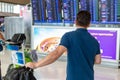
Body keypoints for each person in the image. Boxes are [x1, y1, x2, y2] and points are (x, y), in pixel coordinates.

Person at [25, 10, 101, 80]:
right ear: (89, 23)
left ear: (75, 21)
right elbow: (98, 60)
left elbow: (56, 54)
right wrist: (84, 59)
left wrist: (36, 65)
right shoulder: (94, 41)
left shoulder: (69, 36)